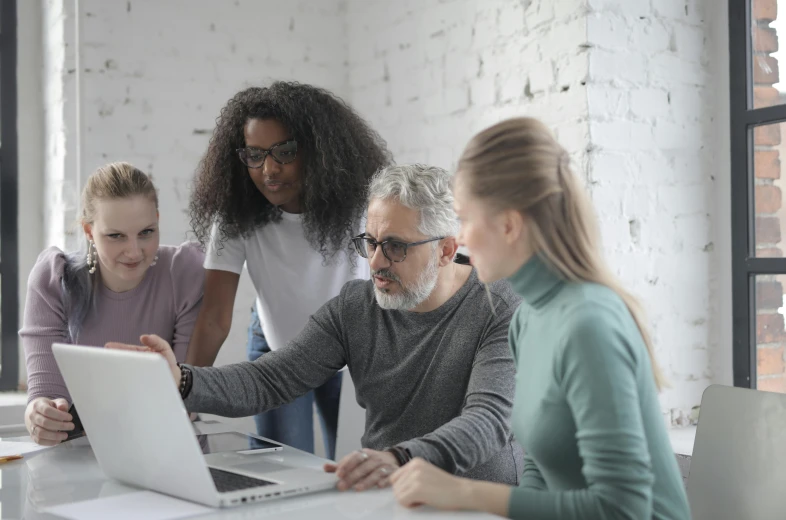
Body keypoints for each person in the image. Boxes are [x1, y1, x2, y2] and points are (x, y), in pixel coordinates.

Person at [110, 164, 524, 493]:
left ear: (446, 250)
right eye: (372, 242)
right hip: (392, 495)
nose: (376, 262)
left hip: (477, 501)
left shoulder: (499, 306)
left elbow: (486, 422)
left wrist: (398, 457)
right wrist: (181, 378)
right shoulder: (357, 306)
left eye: (395, 247)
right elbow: (270, 379)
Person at [389, 118, 691, 519]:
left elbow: (622, 510)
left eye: (464, 219)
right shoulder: (527, 319)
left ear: (509, 225)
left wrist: (464, 492)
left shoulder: (590, 326)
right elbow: (539, 466)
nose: (458, 238)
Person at [185, 81, 392, 459]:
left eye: (285, 152)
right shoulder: (235, 216)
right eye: (255, 154)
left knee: (351, 468)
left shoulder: (362, 204)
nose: (269, 169)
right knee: (281, 472)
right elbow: (214, 317)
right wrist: (184, 395)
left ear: (319, 150)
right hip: (277, 351)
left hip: (354, 353)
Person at [20, 162, 205, 446]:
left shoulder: (184, 273)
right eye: (115, 235)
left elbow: (184, 398)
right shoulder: (54, 280)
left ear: (157, 219)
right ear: (89, 231)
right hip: (81, 450)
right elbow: (47, 396)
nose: (134, 251)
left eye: (146, 232)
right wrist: (41, 416)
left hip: (166, 447)